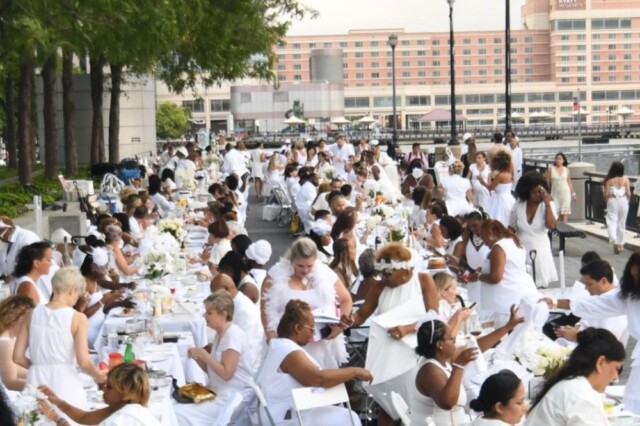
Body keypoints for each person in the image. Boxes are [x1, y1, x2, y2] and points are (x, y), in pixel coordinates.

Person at [342, 243, 439, 426]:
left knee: (415, 404)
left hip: (415, 352)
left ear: (404, 270)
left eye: (388, 274)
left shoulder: (423, 280)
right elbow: (362, 315)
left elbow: (433, 316)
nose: (384, 277)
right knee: (387, 405)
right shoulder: (380, 287)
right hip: (387, 353)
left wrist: (408, 328)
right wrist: (349, 320)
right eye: (382, 273)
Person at [256, 299, 371, 425]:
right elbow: (318, 379)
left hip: (293, 411)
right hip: (288, 418)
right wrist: (354, 371)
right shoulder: (288, 350)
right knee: (348, 418)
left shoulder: (281, 346)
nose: (313, 333)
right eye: (311, 328)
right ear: (298, 328)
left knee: (347, 417)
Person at [554, 251, 640, 413]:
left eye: (638, 277)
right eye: (633, 276)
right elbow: (596, 304)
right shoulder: (632, 295)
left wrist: (578, 336)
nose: (635, 281)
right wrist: (555, 302)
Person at [14, 267, 106, 410]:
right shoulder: (78, 318)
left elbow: (17, 357)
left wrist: (39, 366)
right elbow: (83, 361)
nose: (77, 299)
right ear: (72, 290)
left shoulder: (31, 314)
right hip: (64, 381)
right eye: (78, 295)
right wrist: (98, 376)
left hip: (36, 380)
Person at [410, 310, 524, 425]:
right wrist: (459, 366)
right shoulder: (430, 371)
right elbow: (447, 403)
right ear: (440, 345)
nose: (454, 341)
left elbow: (477, 348)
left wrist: (508, 327)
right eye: (451, 338)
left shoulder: (441, 360)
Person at [261, 237, 352, 369]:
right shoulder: (275, 275)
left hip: (319, 343)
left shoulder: (325, 274)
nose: (305, 270)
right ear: (292, 260)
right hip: (287, 342)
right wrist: (272, 340)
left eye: (310, 266)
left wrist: (340, 326)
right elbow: (265, 311)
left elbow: (346, 300)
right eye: (300, 266)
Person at [174, 291, 254, 425]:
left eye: (209, 313)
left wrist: (204, 355)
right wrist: (197, 357)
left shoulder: (233, 335)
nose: (205, 316)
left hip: (230, 399)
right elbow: (213, 370)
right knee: (176, 407)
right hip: (218, 393)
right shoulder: (221, 333)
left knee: (180, 413)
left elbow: (226, 373)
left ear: (223, 314)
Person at [525, 328, 625, 425]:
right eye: (617, 369)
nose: (615, 377)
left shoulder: (572, 385)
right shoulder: (582, 396)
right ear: (601, 363)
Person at [466, 219, 539, 327]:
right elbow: (508, 267)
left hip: (505, 303)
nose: (484, 242)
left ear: (490, 234)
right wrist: (483, 270)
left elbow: (496, 277)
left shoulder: (499, 247)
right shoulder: (513, 241)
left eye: (483, 237)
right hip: (516, 295)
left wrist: (478, 276)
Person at [37, 363, 161, 426]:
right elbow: (85, 417)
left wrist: (56, 418)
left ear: (124, 392)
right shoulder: (125, 407)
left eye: (109, 387)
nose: (103, 390)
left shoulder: (123, 419)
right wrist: (58, 402)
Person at [540, 259, 628, 347]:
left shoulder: (616, 310)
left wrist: (577, 336)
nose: (586, 288)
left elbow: (605, 344)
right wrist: (572, 329)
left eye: (589, 284)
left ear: (603, 281)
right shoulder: (601, 296)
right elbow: (581, 309)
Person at [510, 171, 558, 288]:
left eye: (540, 192)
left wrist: (547, 205)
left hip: (541, 250)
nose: (538, 195)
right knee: (523, 285)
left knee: (540, 286)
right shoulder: (518, 205)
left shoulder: (547, 205)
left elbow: (551, 226)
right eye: (534, 192)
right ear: (526, 192)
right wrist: (514, 241)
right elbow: (511, 229)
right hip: (522, 250)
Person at [0, 296, 34, 392]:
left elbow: (14, 369)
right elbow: (10, 382)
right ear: (14, 318)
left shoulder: (5, 339)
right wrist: (40, 387)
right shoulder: (5, 343)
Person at [0, 216, 40, 283]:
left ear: (9, 228)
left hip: (34, 284)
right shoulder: (6, 244)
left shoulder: (27, 238)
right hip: (16, 286)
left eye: (1, 234)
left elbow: (30, 262)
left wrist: (12, 276)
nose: (1, 238)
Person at [481, 151, 515, 228]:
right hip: (508, 198)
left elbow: (490, 188)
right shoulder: (509, 174)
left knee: (497, 216)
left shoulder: (500, 176)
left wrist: (482, 182)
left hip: (499, 199)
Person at [603, 160, 630, 254]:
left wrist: (606, 203)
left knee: (612, 221)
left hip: (612, 200)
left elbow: (606, 194)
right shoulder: (625, 179)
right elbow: (629, 193)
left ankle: (614, 239)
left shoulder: (609, 180)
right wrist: (627, 201)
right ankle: (621, 243)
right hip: (623, 200)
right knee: (622, 222)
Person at [545, 152, 575, 222]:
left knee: (564, 214)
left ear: (563, 160)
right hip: (555, 194)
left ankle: (565, 230)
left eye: (559, 159)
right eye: (556, 159)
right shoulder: (550, 169)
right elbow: (547, 183)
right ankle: (556, 230)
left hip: (565, 193)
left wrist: (573, 193)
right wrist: (547, 193)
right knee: (555, 214)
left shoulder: (566, 170)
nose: (558, 160)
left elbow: (569, 182)